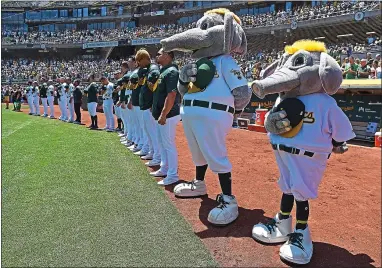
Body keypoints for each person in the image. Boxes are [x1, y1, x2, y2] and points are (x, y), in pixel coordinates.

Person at [150, 48, 181, 185]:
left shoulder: (172, 72)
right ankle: (165, 167)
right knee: (162, 143)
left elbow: (172, 95)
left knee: (168, 144)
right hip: (161, 114)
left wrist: (163, 114)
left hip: (168, 114)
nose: (157, 55)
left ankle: (173, 174)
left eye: (160, 53)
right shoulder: (163, 71)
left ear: (168, 56)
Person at [135, 48, 160, 158]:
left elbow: (155, 89)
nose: (138, 64)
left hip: (149, 106)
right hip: (146, 106)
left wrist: (153, 104)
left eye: (139, 61)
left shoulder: (153, 69)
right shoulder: (147, 69)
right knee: (148, 131)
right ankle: (152, 152)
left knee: (152, 133)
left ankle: (157, 156)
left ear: (144, 59)